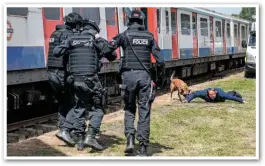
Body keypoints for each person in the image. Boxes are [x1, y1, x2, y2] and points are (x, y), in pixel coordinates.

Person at [94, 10, 165, 156]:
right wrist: (159, 78)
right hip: (145, 77)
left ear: (129, 20)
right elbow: (160, 61)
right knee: (144, 110)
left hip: (128, 77)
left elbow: (109, 48)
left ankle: (130, 140)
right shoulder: (149, 36)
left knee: (129, 109)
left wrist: (98, 40)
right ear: (142, 21)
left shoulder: (124, 35)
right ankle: (143, 147)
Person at [54, 16, 117, 151]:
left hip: (74, 80)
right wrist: (98, 38)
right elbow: (112, 55)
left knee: (79, 107)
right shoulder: (94, 39)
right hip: (90, 80)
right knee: (97, 108)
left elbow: (56, 52)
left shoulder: (71, 38)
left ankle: (80, 141)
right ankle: (91, 136)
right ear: (94, 29)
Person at [46, 13, 76, 142]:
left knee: (63, 102)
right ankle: (66, 130)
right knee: (74, 103)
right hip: (62, 73)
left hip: (51, 73)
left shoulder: (54, 33)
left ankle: (63, 128)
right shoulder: (68, 35)